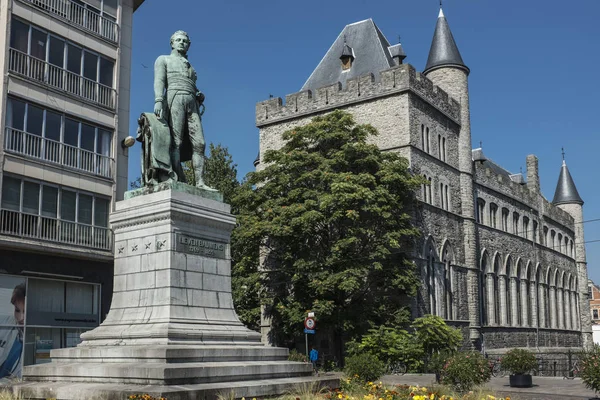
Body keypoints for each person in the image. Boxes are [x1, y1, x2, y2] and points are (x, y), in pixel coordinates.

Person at [153, 30, 212, 189]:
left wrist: (198, 93)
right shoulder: (163, 59)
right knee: (176, 141)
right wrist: (158, 100)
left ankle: (200, 182)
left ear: (189, 45)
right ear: (172, 43)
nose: (181, 43)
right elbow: (159, 80)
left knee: (200, 143)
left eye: (185, 41)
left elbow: (190, 84)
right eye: (178, 40)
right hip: (174, 97)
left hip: (191, 102)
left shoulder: (191, 68)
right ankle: (174, 176)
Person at [0, 283, 26, 380]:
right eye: (17, 310)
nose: (20, 318)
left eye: (25, 311)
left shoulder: (38, 334)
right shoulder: (6, 324)